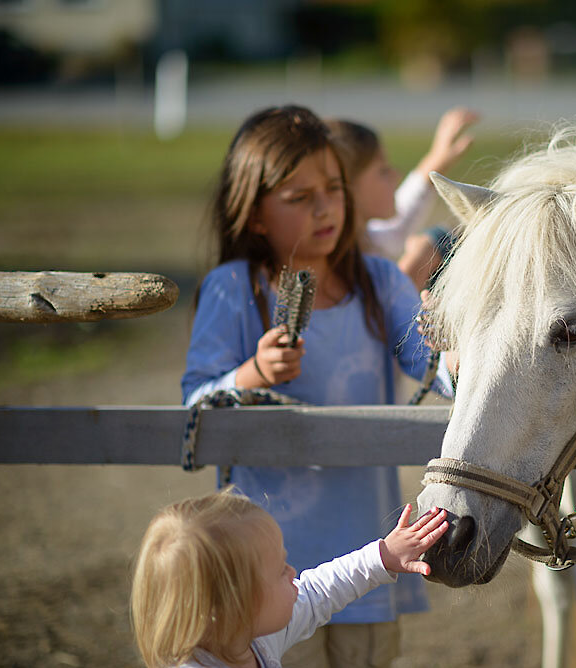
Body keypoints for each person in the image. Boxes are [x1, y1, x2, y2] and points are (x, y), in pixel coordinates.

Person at [181, 105, 453, 668]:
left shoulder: (378, 281)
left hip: (371, 558)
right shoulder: (232, 289)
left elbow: (435, 370)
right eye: (299, 197)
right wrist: (250, 376)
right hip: (264, 581)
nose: (325, 208)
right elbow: (194, 407)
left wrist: (462, 351)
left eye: (333, 188)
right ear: (254, 214)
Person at [130, 488, 448, 668]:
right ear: (236, 602)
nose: (293, 573)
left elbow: (318, 591)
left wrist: (383, 557)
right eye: (279, 570)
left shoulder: (251, 637)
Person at [325, 107, 479, 290]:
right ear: (347, 189)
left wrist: (437, 159)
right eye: (383, 171)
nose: (395, 175)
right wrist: (412, 272)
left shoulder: (367, 240)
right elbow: (372, 315)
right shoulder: (336, 265)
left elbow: (398, 227)